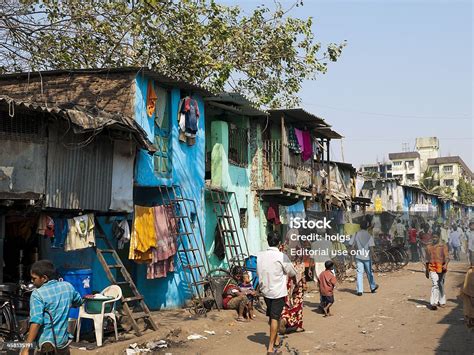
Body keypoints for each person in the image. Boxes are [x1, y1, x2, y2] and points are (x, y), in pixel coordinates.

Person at [21, 260, 82, 355]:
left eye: (34, 278)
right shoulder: (67, 287)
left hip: (46, 344)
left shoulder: (37, 294)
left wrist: (26, 348)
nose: (32, 281)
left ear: (44, 278)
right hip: (63, 342)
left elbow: (36, 322)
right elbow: (78, 301)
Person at [257, 231, 297, 355]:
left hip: (265, 290)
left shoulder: (260, 255)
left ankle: (276, 340)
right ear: (279, 243)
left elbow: (259, 272)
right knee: (275, 317)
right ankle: (270, 349)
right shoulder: (281, 256)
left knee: (273, 315)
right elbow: (292, 272)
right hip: (277, 292)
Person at [349, 217, 379, 296]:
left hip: (358, 256)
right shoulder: (369, 235)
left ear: (360, 226)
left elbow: (351, 246)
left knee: (359, 273)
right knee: (369, 273)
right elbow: (371, 248)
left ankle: (360, 291)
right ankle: (372, 288)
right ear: (367, 227)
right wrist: (374, 256)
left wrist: (351, 256)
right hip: (367, 257)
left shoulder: (355, 234)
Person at [425, 233, 449, 310]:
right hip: (432, 267)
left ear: (439, 238)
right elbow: (427, 259)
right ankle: (433, 303)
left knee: (440, 284)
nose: (434, 238)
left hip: (441, 267)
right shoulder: (428, 247)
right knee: (435, 284)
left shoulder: (443, 246)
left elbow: (447, 257)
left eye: (436, 237)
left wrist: (445, 265)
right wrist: (426, 270)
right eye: (433, 237)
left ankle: (441, 301)